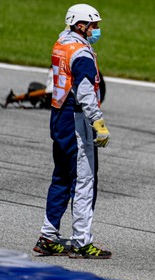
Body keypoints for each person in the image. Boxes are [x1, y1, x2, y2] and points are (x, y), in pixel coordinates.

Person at [33, 3, 111, 259]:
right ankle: (81, 242)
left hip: (58, 117)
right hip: (76, 118)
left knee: (61, 177)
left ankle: (48, 236)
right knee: (85, 180)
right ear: (81, 25)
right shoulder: (81, 52)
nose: (96, 29)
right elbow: (86, 91)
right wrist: (97, 122)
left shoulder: (62, 42)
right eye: (93, 25)